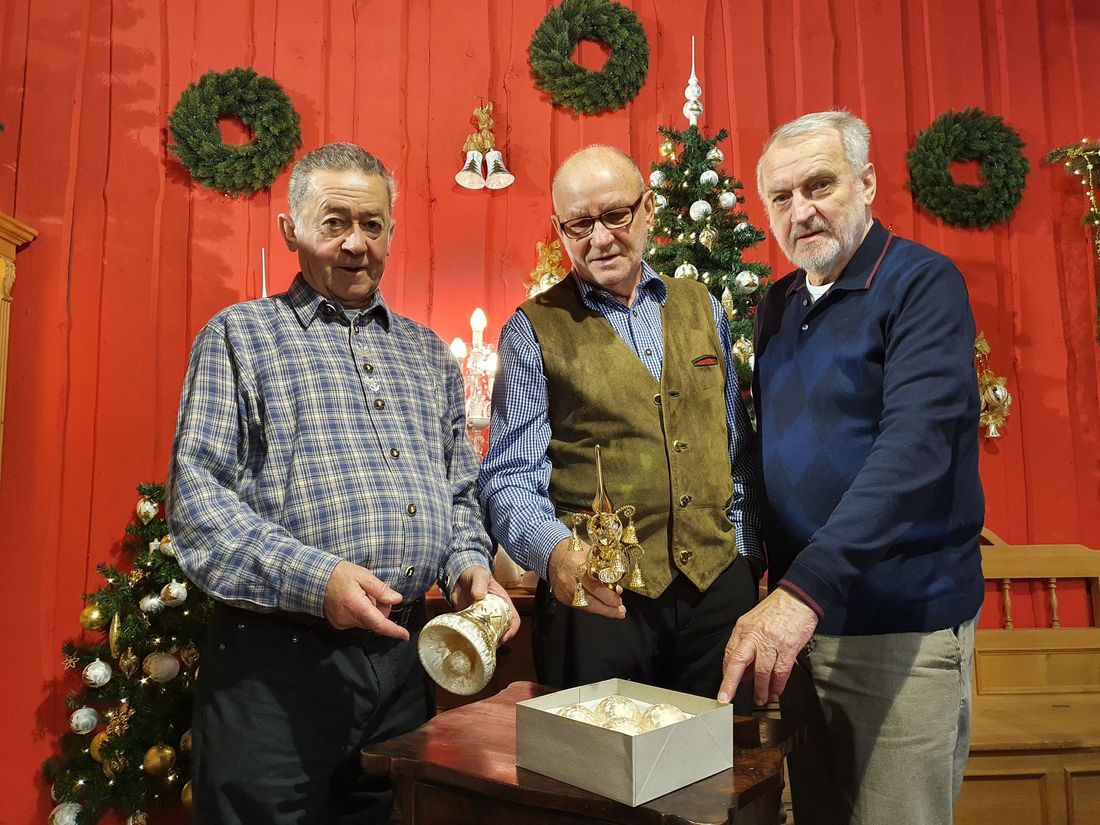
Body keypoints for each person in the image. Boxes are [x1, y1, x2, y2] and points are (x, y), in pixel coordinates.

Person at [168, 142, 520, 825]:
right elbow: (198, 503)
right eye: (334, 222)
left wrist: (469, 568)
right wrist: (317, 579)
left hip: (402, 663)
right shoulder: (241, 337)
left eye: (373, 224)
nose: (356, 242)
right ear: (291, 229)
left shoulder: (428, 357)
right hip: (276, 668)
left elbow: (457, 495)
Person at [718, 111, 985, 825]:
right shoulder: (774, 305)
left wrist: (801, 590)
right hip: (800, 635)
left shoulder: (921, 284)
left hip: (898, 626)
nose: (801, 210)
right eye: (780, 196)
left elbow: (916, 453)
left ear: (866, 182)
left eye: (820, 184)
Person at [478, 145, 762, 705]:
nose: (600, 237)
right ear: (560, 229)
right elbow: (509, 477)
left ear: (648, 209)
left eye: (615, 215)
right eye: (580, 224)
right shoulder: (533, 329)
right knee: (601, 783)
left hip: (717, 592)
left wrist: (747, 561)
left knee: (722, 774)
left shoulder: (701, 305)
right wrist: (557, 554)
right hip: (599, 601)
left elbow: (737, 448)